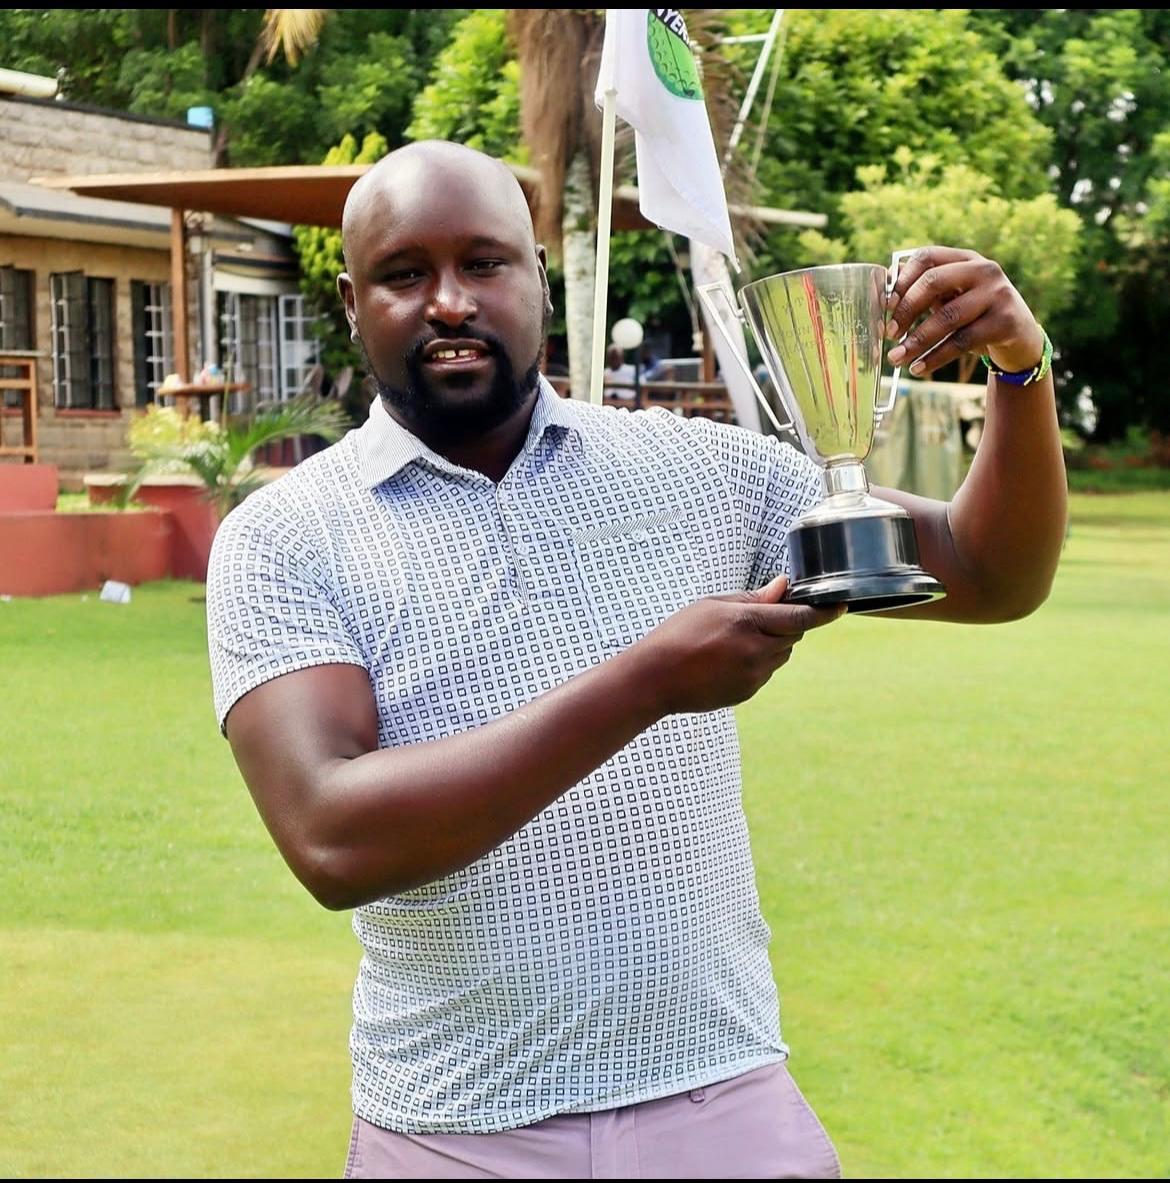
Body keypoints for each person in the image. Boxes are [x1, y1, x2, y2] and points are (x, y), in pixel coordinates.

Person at [205, 140, 1067, 1179]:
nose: (450, 301)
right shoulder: (287, 536)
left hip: (722, 1103)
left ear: (538, 278)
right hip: (456, 1126)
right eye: (404, 273)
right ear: (353, 302)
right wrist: (646, 681)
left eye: (484, 262)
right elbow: (334, 840)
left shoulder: (694, 467)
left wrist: (1019, 368)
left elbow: (989, 572)